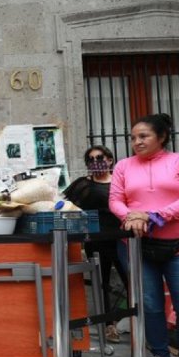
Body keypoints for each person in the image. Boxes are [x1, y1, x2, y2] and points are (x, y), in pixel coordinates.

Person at [109, 114, 179, 357]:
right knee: (150, 307)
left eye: (143, 136)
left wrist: (153, 216)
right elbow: (115, 200)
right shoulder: (123, 166)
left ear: (161, 136)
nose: (136, 142)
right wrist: (131, 216)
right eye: (132, 138)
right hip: (137, 247)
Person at [64, 145, 129, 343]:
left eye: (99, 158)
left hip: (121, 239)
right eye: (90, 160)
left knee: (130, 280)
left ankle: (136, 322)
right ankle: (109, 326)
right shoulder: (83, 184)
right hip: (95, 240)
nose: (95, 162)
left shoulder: (120, 182)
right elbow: (66, 205)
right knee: (102, 283)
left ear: (110, 159)